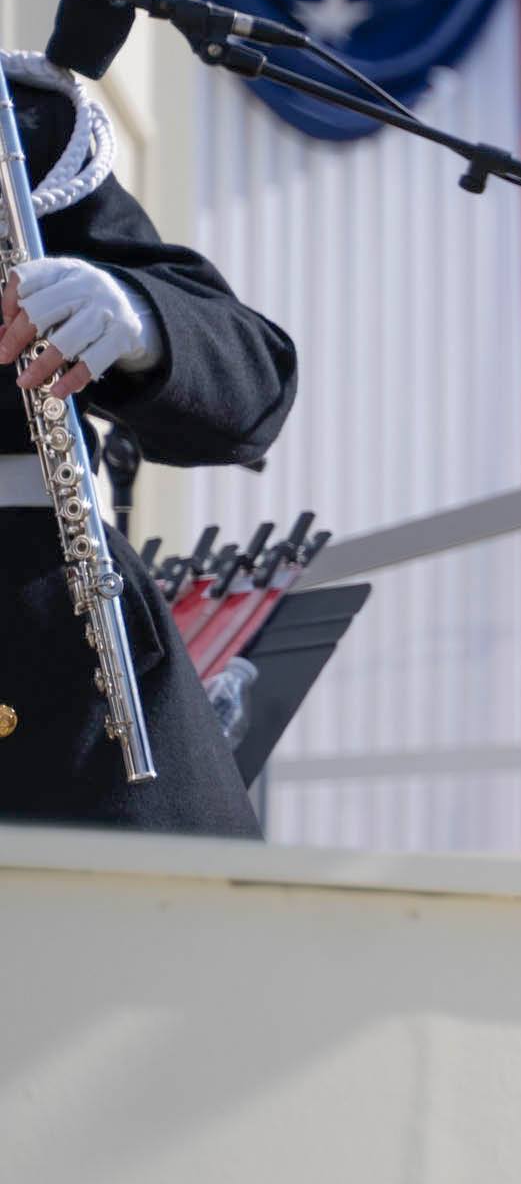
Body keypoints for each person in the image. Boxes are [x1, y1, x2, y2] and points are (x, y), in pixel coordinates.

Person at [1, 50, 299, 834]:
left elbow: (250, 387)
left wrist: (138, 320)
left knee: (179, 935)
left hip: (40, 662)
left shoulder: (19, 122)